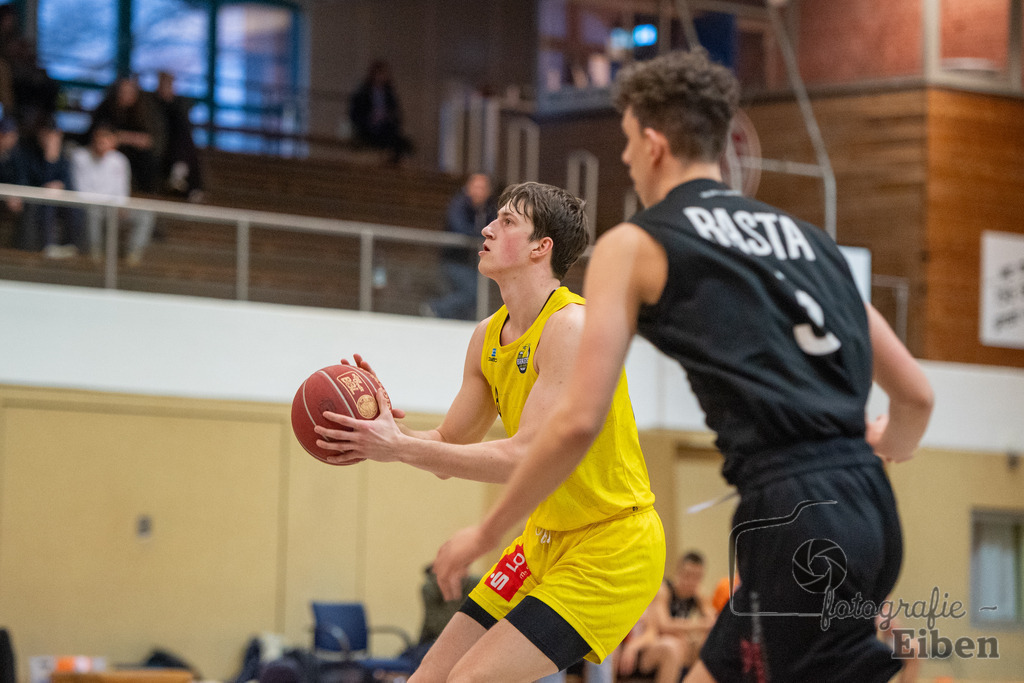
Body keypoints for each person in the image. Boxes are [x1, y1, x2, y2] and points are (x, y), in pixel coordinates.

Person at [430, 49, 935, 683]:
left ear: (653, 142)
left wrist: (483, 536)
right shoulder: (809, 239)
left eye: (625, 143)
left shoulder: (638, 243)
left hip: (790, 513)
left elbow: (577, 423)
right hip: (870, 506)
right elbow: (916, 398)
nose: (623, 159)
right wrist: (881, 444)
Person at [313, 181, 665, 682]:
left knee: (469, 679)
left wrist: (399, 449)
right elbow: (449, 449)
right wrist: (388, 436)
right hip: (540, 542)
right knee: (427, 680)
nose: (487, 227)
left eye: (506, 222)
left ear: (541, 247)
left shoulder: (571, 327)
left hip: (612, 545)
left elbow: (525, 456)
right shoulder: (486, 336)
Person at [71, 122, 155, 264]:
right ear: (93, 138)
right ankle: (95, 253)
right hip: (90, 206)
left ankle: (133, 254)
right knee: (92, 212)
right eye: (100, 138)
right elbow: (80, 190)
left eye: (107, 138)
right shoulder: (80, 157)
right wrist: (103, 203)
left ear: (113, 141)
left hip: (114, 208)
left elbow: (122, 190)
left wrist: (120, 205)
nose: (102, 142)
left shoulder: (119, 161)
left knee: (146, 214)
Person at [424, 172, 497, 320]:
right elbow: (460, 228)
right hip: (454, 260)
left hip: (473, 262)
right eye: (476, 187)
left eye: (482, 188)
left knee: (472, 298)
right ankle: (436, 309)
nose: (478, 191)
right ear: (468, 188)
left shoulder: (488, 209)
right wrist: (482, 234)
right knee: (472, 293)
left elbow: (496, 228)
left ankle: (446, 317)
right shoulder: (459, 204)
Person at [90, 75, 165, 193]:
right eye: (122, 91)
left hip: (135, 159)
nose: (126, 95)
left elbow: (148, 140)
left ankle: (144, 197)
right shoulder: (106, 108)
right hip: (109, 154)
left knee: (146, 163)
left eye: (130, 91)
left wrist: (121, 137)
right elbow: (99, 133)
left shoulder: (143, 112)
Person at [18, 119, 82, 257]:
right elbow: (27, 182)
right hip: (36, 201)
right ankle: (47, 246)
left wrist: (59, 185)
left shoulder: (65, 158)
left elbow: (68, 183)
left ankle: (71, 246)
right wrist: (49, 160)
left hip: (60, 201)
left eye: (53, 135)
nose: (49, 139)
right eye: (46, 135)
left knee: (74, 207)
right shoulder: (30, 155)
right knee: (48, 204)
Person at [151, 71, 204, 201]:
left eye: (170, 85)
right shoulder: (151, 104)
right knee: (183, 142)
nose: (167, 89)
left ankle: (180, 174)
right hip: (160, 144)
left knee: (185, 140)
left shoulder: (177, 106)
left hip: (175, 147)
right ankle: (192, 186)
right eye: (164, 84)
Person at [348, 60, 414, 164]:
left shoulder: (389, 93)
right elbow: (355, 114)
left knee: (403, 143)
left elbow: (397, 114)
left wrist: (387, 116)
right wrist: (370, 119)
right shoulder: (363, 93)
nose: (382, 77)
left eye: (384, 74)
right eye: (380, 73)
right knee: (390, 140)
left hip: (386, 128)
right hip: (368, 129)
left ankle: (391, 165)